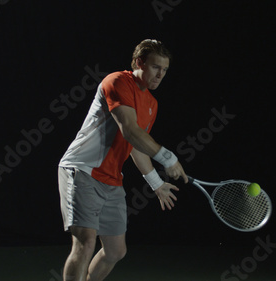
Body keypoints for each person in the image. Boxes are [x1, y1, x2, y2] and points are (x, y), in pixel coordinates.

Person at [57, 39, 188, 281]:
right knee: (85, 242)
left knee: (116, 251)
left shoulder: (151, 103)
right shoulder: (117, 81)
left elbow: (135, 146)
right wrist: (167, 157)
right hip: (82, 170)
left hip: (111, 179)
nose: (161, 75)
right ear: (140, 62)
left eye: (165, 70)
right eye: (156, 67)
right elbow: (129, 130)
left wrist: (156, 183)